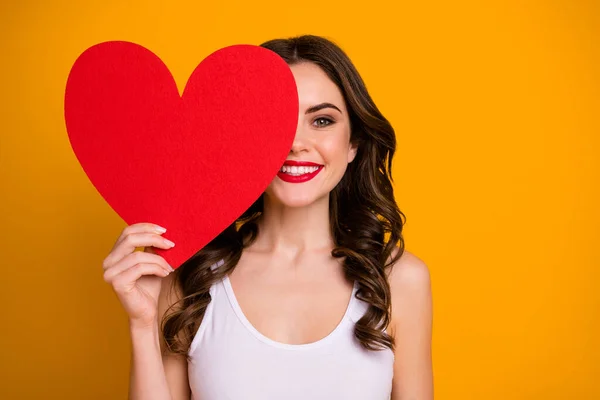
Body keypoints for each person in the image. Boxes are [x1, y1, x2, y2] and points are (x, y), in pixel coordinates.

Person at [102, 34, 433, 400]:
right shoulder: (188, 277)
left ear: (353, 143)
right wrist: (142, 325)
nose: (296, 143)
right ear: (242, 138)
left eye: (322, 121)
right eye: (274, 119)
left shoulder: (400, 280)